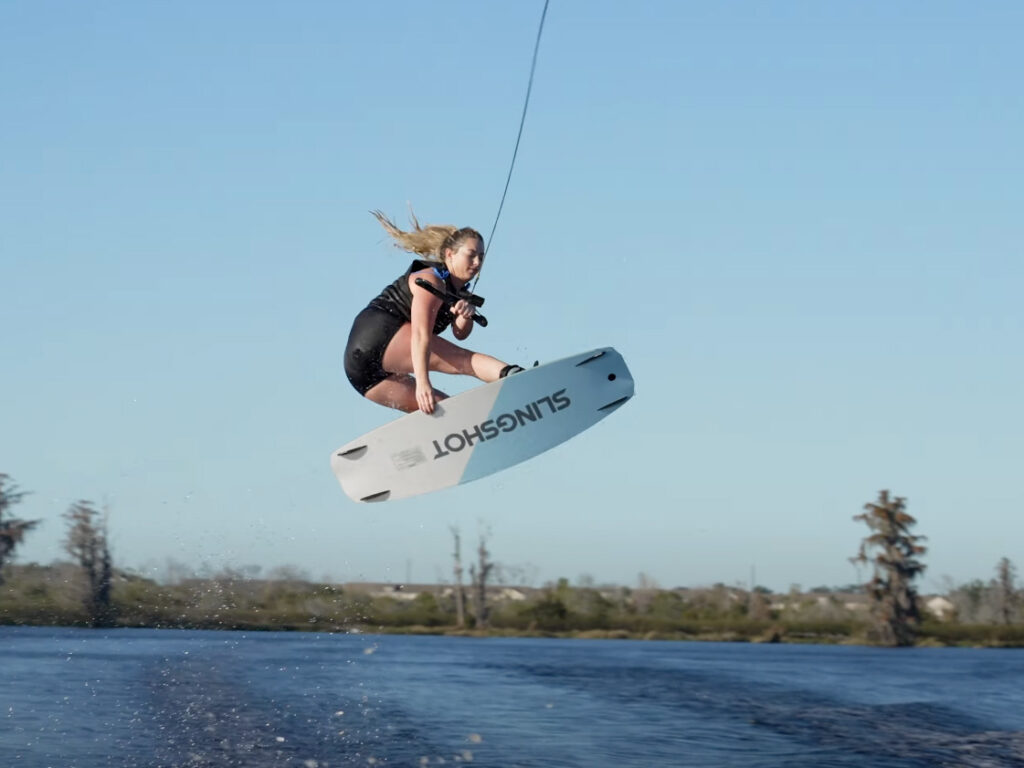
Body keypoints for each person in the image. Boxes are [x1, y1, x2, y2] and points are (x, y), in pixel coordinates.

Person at [344, 210, 524, 414]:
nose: (477, 263)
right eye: (471, 255)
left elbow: (460, 334)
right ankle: (518, 377)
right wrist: (422, 382)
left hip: (363, 375)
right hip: (378, 334)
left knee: (446, 414)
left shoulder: (460, 294)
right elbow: (421, 334)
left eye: (481, 257)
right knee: (463, 360)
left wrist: (464, 316)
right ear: (450, 254)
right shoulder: (433, 281)